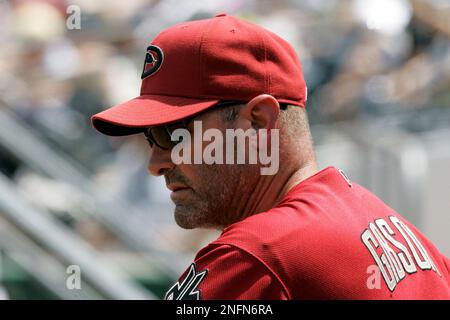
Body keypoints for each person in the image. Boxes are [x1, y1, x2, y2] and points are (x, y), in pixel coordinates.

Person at [91, 13, 450, 299]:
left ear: (259, 122)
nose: (156, 164)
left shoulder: (258, 254)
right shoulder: (393, 228)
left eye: (172, 134)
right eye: (150, 137)